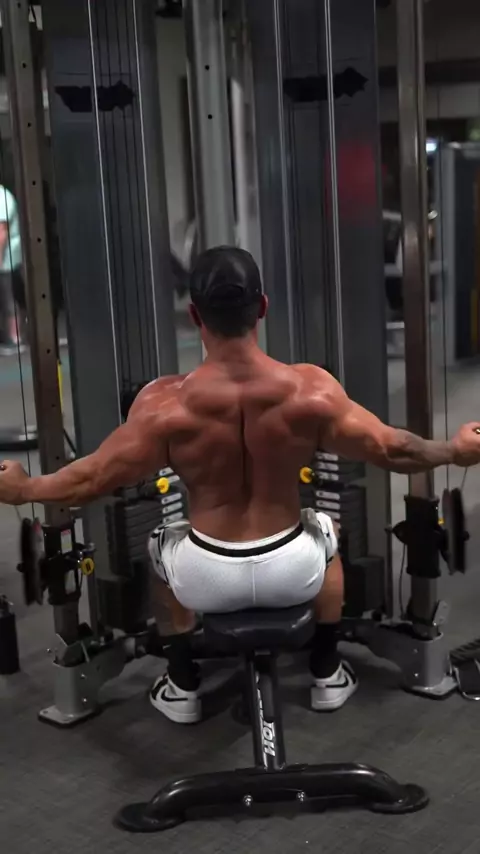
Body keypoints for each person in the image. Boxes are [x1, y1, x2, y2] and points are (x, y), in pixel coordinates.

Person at [1, 246, 480, 723]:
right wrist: (454, 450)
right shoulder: (311, 391)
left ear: (195, 316)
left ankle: (182, 686)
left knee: (160, 544)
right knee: (327, 529)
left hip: (204, 575)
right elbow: (392, 449)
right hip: (293, 568)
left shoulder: (164, 406)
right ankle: (326, 671)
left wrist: (25, 488)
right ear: (263, 307)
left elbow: (91, 479)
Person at [0, 185, 25, 355]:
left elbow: (1, 232)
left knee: (9, 297)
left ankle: (15, 338)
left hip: (7, 257)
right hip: (6, 256)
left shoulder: (2, 197)